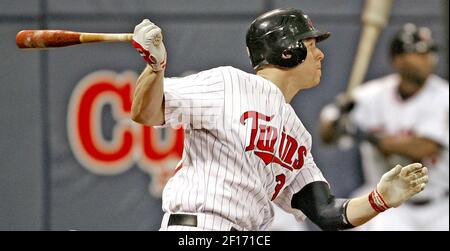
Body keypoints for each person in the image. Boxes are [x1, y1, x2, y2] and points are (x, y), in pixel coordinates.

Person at [130, 8, 429, 231]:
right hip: (199, 228)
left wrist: (380, 199)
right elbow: (145, 112)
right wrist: (156, 68)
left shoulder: (297, 132)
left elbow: (325, 212)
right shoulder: (227, 83)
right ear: (288, 51)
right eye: (312, 45)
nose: (321, 56)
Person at [319, 23, 448, 231]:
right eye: (418, 53)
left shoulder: (443, 96)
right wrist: (339, 117)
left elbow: (422, 148)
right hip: (391, 205)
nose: (427, 60)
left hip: (440, 205)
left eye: (430, 53)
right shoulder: (371, 95)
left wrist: (368, 136)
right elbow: (326, 134)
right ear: (398, 59)